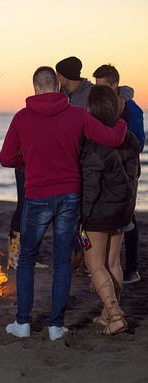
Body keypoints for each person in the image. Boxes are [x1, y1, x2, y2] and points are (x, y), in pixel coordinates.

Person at [0, 66, 127, 341]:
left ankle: (22, 323)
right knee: (61, 261)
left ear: (35, 88)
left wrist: (29, 162)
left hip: (37, 197)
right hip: (69, 196)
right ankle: (56, 326)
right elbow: (113, 138)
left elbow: (6, 158)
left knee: (26, 260)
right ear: (57, 86)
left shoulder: (21, 117)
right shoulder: (77, 114)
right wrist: (120, 118)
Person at [55, 56, 135, 277]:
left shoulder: (91, 91)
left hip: (94, 157)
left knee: (100, 255)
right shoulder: (60, 95)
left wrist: (123, 100)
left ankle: (113, 292)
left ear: (64, 75)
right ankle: (81, 259)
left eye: (58, 74)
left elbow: (124, 88)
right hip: (77, 161)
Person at [80, 85, 139, 335]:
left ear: (92, 108)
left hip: (99, 214)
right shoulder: (128, 137)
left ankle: (115, 315)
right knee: (113, 262)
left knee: (95, 265)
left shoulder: (94, 143)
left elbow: (91, 187)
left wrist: (81, 217)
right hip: (123, 211)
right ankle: (106, 314)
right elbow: (135, 174)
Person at [93, 64, 145, 285]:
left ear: (115, 86)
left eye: (103, 87)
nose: (99, 92)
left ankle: (132, 268)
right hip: (107, 173)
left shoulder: (131, 110)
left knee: (128, 220)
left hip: (124, 174)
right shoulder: (102, 104)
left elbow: (139, 144)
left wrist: (114, 156)